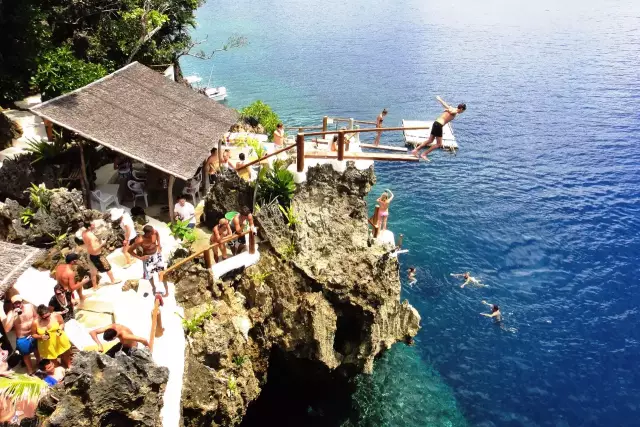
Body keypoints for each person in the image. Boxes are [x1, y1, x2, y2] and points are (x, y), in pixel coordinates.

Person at [411, 96, 466, 160]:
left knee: (430, 140)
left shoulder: (451, 108)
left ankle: (415, 150)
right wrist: (448, 110)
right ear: (461, 109)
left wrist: (440, 100)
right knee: (439, 144)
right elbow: (452, 112)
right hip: (439, 125)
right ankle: (424, 154)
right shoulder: (455, 111)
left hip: (436, 123)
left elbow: (445, 105)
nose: (462, 112)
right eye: (463, 111)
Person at [0, 296, 39, 374]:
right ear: (12, 305)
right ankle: (30, 370)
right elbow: (7, 329)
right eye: (15, 303)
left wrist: (34, 331)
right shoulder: (11, 313)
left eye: (19, 303)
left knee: (36, 350)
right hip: (22, 337)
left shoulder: (30, 307)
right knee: (25, 355)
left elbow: (36, 317)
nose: (18, 305)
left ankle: (39, 364)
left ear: (22, 302)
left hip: (33, 333)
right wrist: (13, 317)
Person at [128, 225, 168, 297]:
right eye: (152, 232)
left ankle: (165, 289)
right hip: (148, 258)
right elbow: (129, 250)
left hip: (157, 254)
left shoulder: (155, 232)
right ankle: (154, 287)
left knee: (162, 272)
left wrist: (159, 245)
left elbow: (157, 235)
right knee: (149, 275)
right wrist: (140, 258)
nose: (154, 232)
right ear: (147, 233)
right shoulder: (140, 240)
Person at [82, 220, 120, 288]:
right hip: (97, 255)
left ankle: (95, 286)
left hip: (90, 255)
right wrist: (102, 244)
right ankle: (113, 280)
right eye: (92, 225)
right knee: (107, 267)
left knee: (93, 272)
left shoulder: (84, 233)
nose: (94, 225)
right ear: (89, 227)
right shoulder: (91, 237)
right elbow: (94, 249)